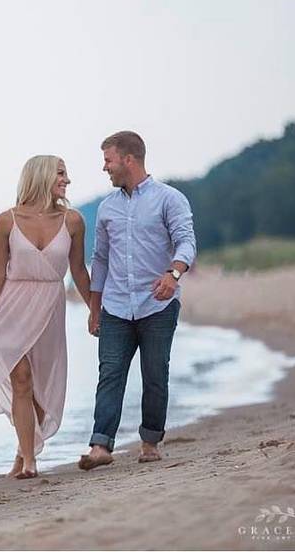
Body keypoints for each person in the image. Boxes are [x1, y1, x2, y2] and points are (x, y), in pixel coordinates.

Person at [0, 155, 92, 479]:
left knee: (40, 391)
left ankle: (22, 452)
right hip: (12, 307)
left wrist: (95, 308)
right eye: (61, 173)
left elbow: (78, 270)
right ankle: (31, 464)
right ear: (42, 176)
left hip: (50, 306)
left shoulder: (73, 221)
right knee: (20, 379)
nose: (67, 180)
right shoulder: (6, 221)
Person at [79, 131, 197, 471]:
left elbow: (186, 242)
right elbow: (100, 260)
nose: (105, 168)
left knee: (155, 373)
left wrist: (172, 275)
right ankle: (100, 445)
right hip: (115, 306)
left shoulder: (169, 199)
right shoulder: (106, 208)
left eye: (108, 160)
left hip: (157, 305)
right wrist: (93, 306)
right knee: (110, 373)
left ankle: (149, 441)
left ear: (128, 159)